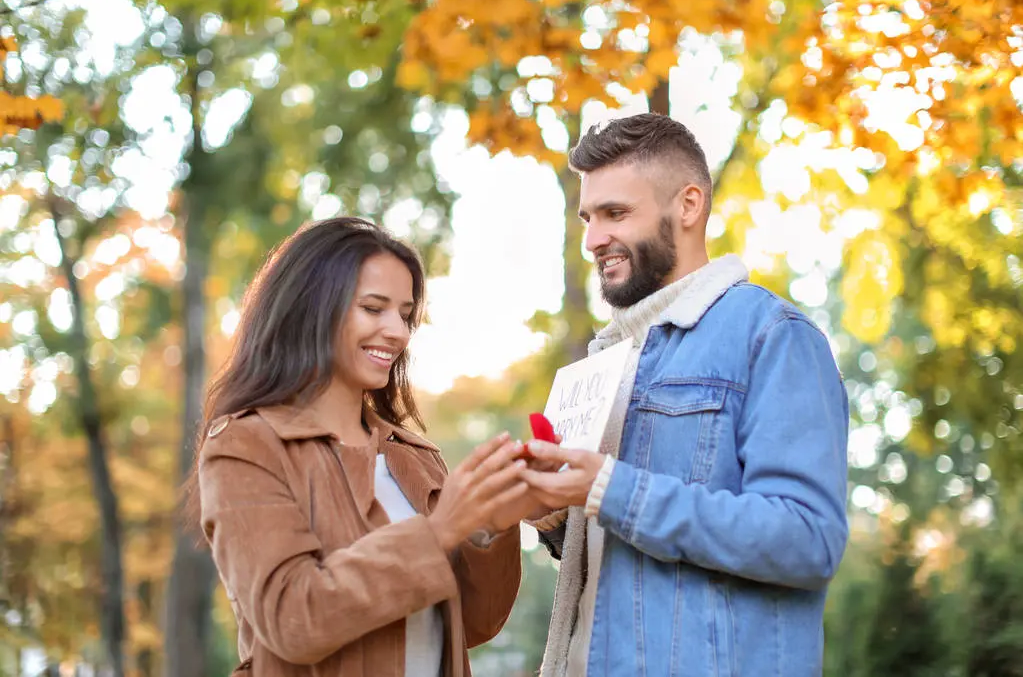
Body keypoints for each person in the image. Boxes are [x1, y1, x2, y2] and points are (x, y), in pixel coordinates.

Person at [521, 113, 850, 677]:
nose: (595, 238)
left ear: (689, 206)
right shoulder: (605, 359)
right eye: (588, 217)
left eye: (616, 213)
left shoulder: (773, 336)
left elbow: (808, 539)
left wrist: (607, 485)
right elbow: (622, 568)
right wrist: (555, 520)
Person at [191, 217, 537, 677]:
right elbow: (295, 618)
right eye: (374, 309)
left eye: (405, 314)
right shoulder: (244, 446)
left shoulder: (415, 456)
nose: (397, 331)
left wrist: (492, 526)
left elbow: (473, 624)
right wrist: (438, 533)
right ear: (311, 308)